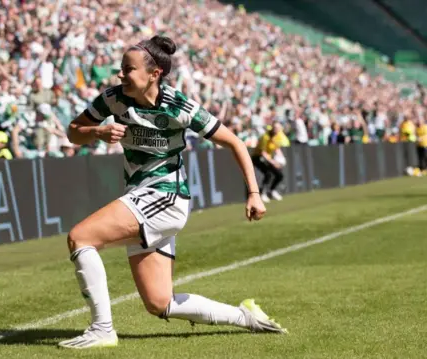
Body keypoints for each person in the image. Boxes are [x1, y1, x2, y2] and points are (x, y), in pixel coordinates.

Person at [59, 35, 287, 350]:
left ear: (155, 74)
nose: (120, 75)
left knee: (81, 237)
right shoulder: (112, 99)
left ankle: (102, 330)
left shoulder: (178, 106)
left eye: (129, 69)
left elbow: (233, 141)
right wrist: (96, 132)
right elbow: (73, 133)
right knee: (159, 302)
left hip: (165, 197)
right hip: (141, 198)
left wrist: (253, 192)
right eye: (122, 68)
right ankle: (245, 317)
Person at [252, 124, 286, 203]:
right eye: (276, 129)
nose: (278, 131)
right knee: (268, 173)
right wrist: (273, 162)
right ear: (273, 129)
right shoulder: (265, 137)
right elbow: (263, 153)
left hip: (268, 158)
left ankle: (272, 191)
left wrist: (282, 159)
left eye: (279, 129)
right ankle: (262, 193)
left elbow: (277, 149)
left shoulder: (275, 137)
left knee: (279, 175)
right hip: (258, 157)